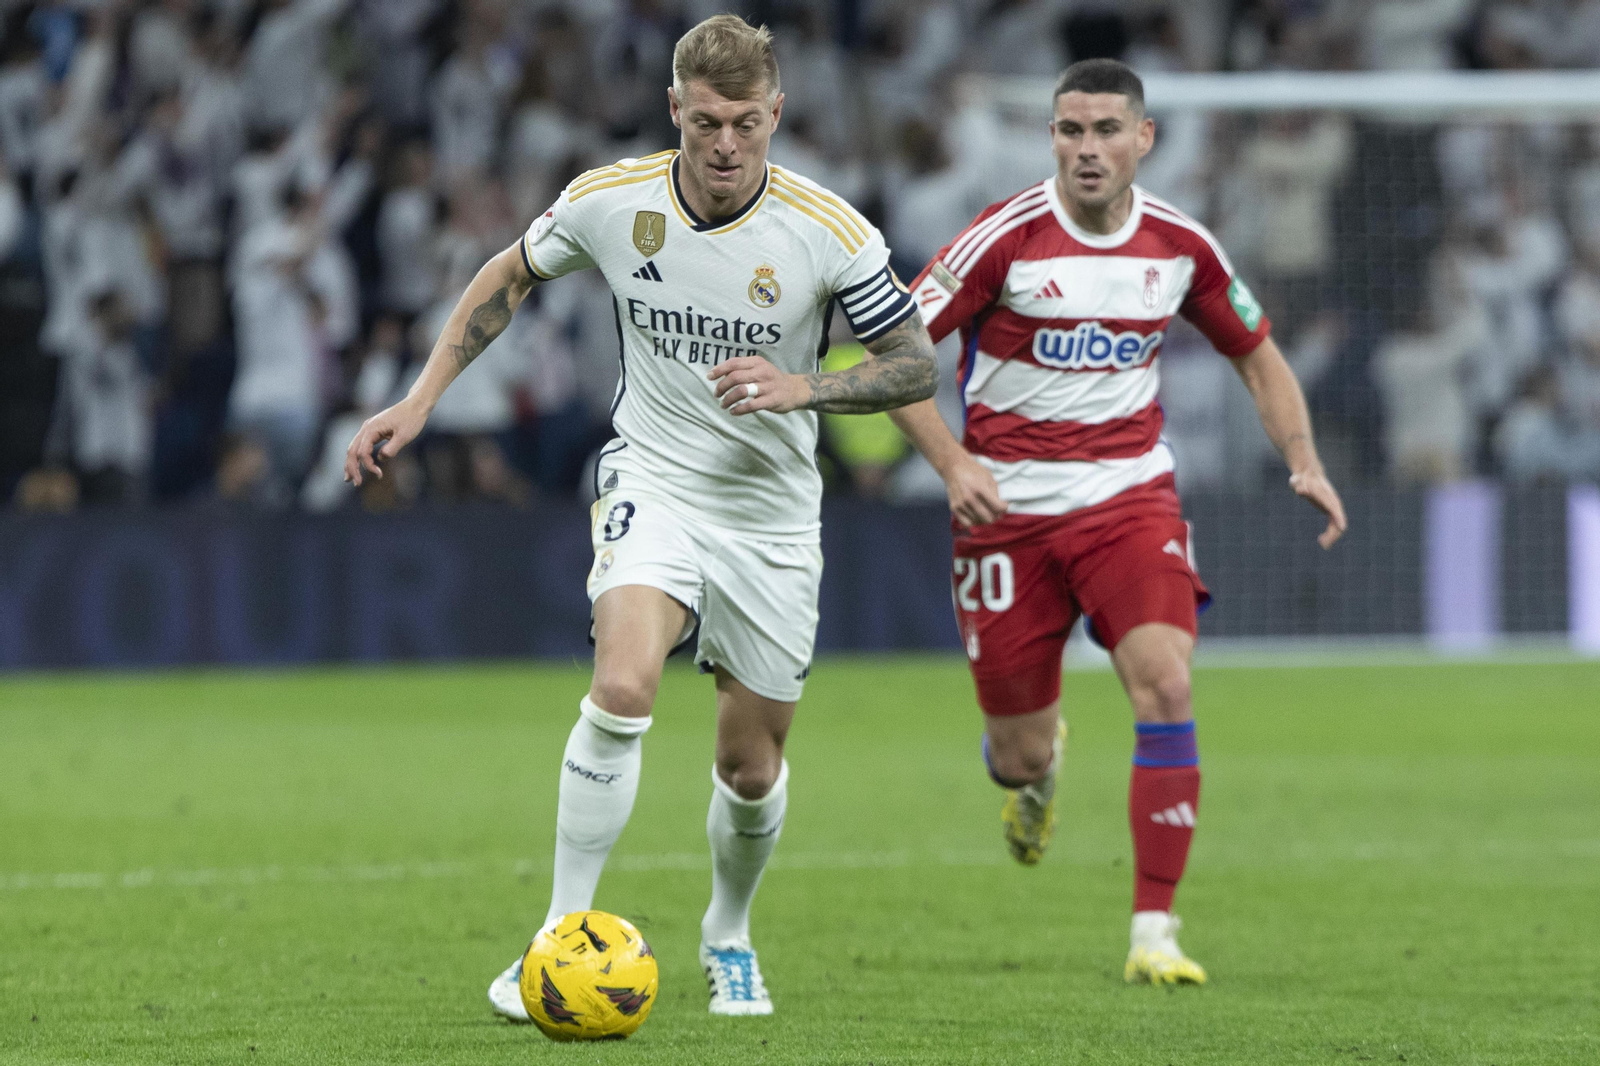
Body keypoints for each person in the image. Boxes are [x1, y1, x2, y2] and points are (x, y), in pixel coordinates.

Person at [343, 15, 935, 1018]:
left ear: (775, 115)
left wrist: (803, 387)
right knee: (621, 685)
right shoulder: (610, 201)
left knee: (748, 765)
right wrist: (420, 398)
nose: (725, 142)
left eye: (746, 122)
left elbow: (916, 361)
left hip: (772, 514)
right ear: (675, 110)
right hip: (652, 479)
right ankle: (554, 940)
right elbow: (508, 276)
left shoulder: (829, 230)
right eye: (706, 120)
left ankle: (729, 929)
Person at [890, 59, 1347, 985]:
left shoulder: (1181, 246)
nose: (1086, 148)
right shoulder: (1003, 240)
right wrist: (952, 460)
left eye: (1105, 130)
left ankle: (1154, 932)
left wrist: (1302, 458)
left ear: (1145, 139)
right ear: (1051, 138)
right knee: (1014, 755)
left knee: (1166, 686)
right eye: (1069, 130)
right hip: (1005, 514)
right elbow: (891, 356)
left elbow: (1257, 356)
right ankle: (1037, 771)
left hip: (1129, 501)